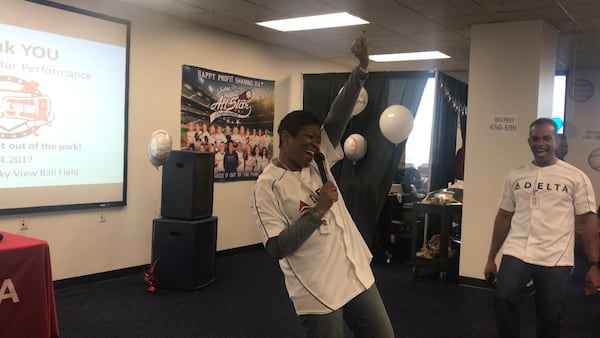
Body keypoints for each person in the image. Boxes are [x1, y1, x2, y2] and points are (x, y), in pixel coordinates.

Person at [252, 37, 394, 338]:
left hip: (353, 271)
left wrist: (361, 70)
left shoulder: (320, 158)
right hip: (315, 286)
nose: (316, 144)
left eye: (319, 139)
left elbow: (338, 114)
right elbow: (277, 247)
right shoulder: (267, 186)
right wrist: (318, 211)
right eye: (309, 137)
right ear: (286, 137)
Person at [483, 117, 600, 338]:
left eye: (547, 138)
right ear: (529, 142)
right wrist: (491, 257)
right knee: (503, 298)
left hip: (555, 255)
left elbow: (588, 220)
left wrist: (594, 264)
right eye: (535, 139)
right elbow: (504, 217)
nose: (541, 143)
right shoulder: (515, 175)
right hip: (518, 250)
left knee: (550, 316)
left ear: (556, 141)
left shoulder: (576, 177)